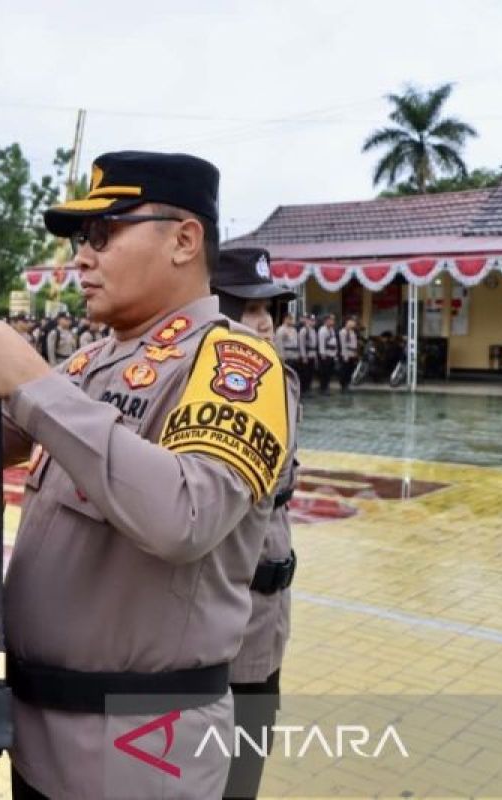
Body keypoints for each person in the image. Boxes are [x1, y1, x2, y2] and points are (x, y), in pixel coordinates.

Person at [0, 151, 292, 799]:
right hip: (37, 733)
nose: (82, 257)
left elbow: (183, 517)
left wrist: (33, 383)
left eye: (104, 234)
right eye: (83, 239)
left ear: (184, 240)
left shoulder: (232, 364)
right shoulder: (90, 361)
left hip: (140, 749)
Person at [211, 248, 300, 800]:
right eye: (247, 308)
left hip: (267, 615)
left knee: (247, 763)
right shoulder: (203, 384)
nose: (264, 321)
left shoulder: (281, 381)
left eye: (271, 309)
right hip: (214, 621)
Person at [316, 313, 338, 395]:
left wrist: (335, 354)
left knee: (329, 372)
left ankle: (326, 387)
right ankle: (323, 388)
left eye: (333, 320)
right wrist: (322, 354)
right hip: (325, 355)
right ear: (326, 321)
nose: (332, 321)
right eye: (331, 320)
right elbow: (321, 343)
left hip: (332, 354)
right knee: (324, 372)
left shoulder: (332, 330)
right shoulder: (322, 330)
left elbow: (334, 342)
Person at [339, 316, 360, 392]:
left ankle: (347, 383)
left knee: (350, 370)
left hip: (352, 354)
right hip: (346, 354)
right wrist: (345, 356)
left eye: (354, 322)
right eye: (351, 322)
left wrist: (355, 353)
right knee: (344, 370)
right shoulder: (343, 332)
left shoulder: (353, 332)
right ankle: (343, 385)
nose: (353, 324)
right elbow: (343, 345)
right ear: (347, 323)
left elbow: (354, 344)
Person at [298, 314, 318, 394]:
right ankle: (304, 389)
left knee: (310, 373)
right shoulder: (303, 330)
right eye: (311, 320)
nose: (313, 322)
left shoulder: (313, 331)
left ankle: (308, 388)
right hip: (306, 355)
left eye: (314, 320)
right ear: (307, 321)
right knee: (305, 374)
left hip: (312, 354)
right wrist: (304, 356)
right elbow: (301, 344)